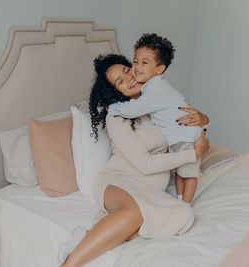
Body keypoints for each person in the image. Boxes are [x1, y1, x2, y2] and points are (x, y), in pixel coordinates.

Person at [59, 54, 210, 267]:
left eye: (128, 70)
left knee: (184, 215)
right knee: (133, 214)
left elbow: (188, 130)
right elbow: (145, 164)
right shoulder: (117, 117)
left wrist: (203, 119)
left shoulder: (158, 100)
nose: (129, 77)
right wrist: (193, 155)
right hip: (119, 181)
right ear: (115, 92)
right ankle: (69, 263)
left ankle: (100, 232)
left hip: (150, 190)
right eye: (120, 81)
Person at [108, 33, 202, 203]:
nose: (135, 70)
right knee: (182, 174)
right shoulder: (151, 92)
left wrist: (113, 107)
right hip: (179, 141)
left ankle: (186, 204)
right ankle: (181, 199)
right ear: (115, 91)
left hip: (185, 138)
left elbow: (133, 109)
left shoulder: (154, 91)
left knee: (188, 175)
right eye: (135, 62)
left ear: (159, 70)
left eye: (143, 63)